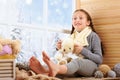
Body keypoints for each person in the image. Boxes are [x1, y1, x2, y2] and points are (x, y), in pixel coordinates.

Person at [29, 9, 103, 77]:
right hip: (74, 68)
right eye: (74, 18)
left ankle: (48, 69)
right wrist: (60, 48)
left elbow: (99, 59)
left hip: (91, 67)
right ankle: (44, 71)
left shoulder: (93, 36)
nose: (77, 20)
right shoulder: (71, 37)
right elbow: (66, 53)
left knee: (77, 61)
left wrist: (82, 50)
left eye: (80, 18)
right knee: (60, 63)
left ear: (88, 22)